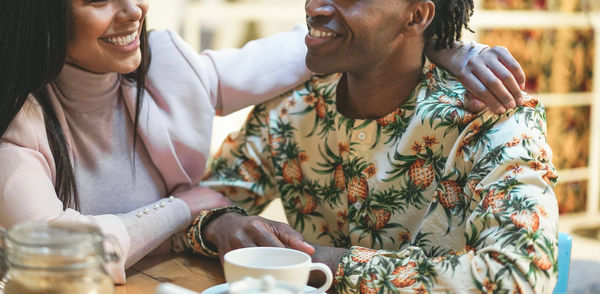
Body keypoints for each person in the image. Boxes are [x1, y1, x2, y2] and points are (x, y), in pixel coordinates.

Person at [0, 0, 525, 285]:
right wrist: (197, 213)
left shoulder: (494, 119)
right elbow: (212, 202)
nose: (134, 9)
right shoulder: (16, 130)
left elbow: (512, 278)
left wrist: (449, 47)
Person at [199, 0, 559, 293]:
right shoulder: (290, 108)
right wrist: (220, 222)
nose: (313, 6)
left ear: (417, 15)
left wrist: (321, 262)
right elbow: (199, 205)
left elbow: (519, 276)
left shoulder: (490, 118)